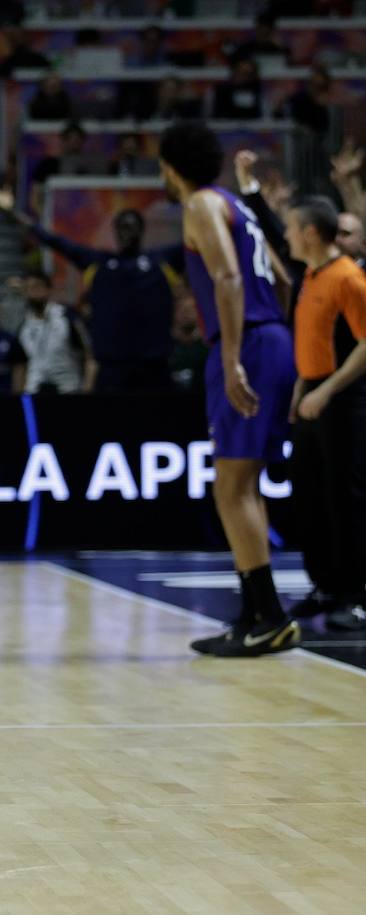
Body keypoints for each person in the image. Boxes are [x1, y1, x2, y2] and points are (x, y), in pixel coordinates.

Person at [158, 121, 299, 657]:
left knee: (230, 487)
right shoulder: (235, 206)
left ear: (170, 166)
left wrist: (236, 355)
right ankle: (258, 614)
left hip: (245, 345)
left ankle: (266, 615)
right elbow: (282, 281)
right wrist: (273, 337)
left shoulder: (199, 205)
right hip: (272, 338)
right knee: (245, 485)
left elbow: (228, 279)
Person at [0, 182, 182, 392]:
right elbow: (53, 240)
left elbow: (192, 243)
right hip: (111, 368)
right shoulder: (98, 263)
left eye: (132, 227)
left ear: (141, 230)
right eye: (122, 227)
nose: (127, 233)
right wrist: (12, 210)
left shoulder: (161, 262)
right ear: (115, 232)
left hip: (154, 366)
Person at [281, 197, 366, 630]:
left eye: (291, 228)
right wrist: (302, 388)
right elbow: (311, 341)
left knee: (345, 496)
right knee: (309, 492)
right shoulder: (309, 277)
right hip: (313, 390)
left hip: (345, 396)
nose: (287, 236)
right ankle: (325, 584)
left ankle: (356, 594)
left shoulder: (348, 277)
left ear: (311, 233)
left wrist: (327, 390)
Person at [16, 270, 94, 394]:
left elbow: (89, 356)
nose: (33, 291)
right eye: (28, 288)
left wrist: (87, 389)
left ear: (49, 289)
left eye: (37, 286)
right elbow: (20, 366)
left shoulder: (67, 316)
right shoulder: (23, 326)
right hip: (33, 391)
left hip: (68, 389)